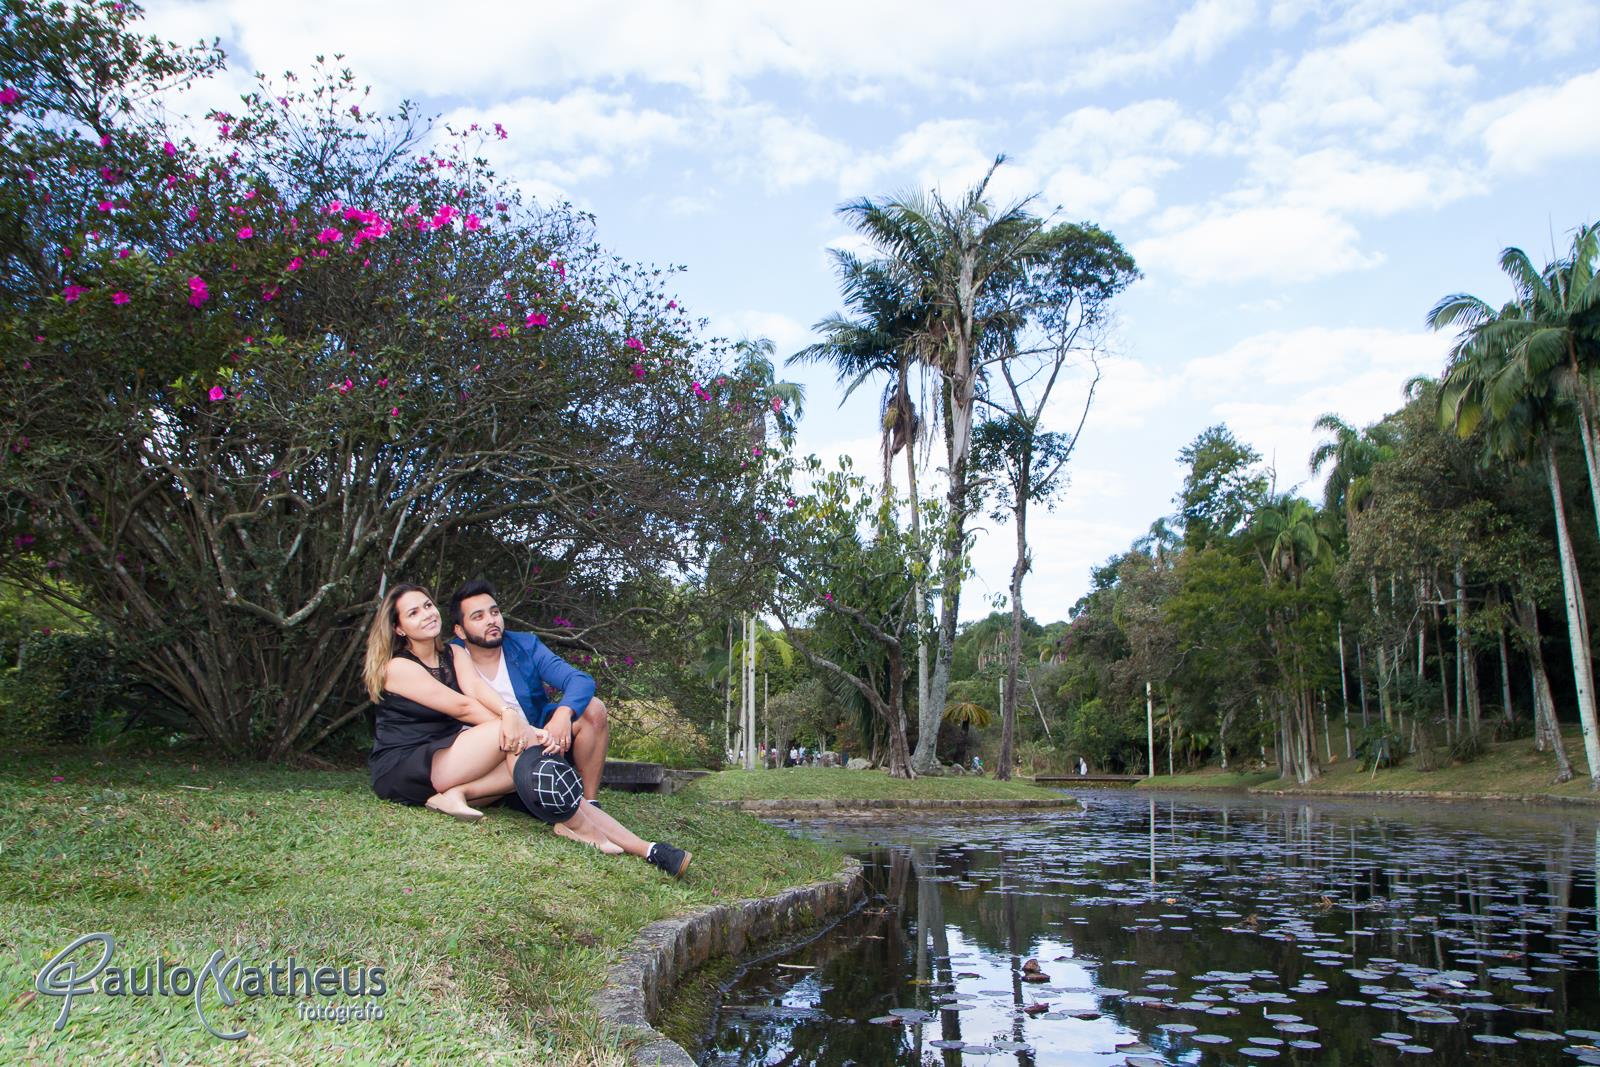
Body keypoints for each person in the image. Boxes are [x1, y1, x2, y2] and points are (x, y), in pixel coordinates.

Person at [364, 582, 691, 877]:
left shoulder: (453, 653)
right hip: (405, 766)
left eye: (427, 605)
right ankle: (578, 826)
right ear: (399, 627)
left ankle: (646, 849)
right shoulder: (398, 667)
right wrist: (523, 728)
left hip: (453, 754)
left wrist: (510, 716)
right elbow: (463, 707)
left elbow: (478, 692)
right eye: (413, 612)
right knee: (513, 742)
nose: (426, 614)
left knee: (527, 764)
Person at [447, 579, 610, 805]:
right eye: (478, 616)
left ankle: (591, 803)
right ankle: (486, 792)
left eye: (494, 612)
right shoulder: (450, 658)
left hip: (540, 737)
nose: (491, 620)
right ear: (460, 630)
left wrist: (563, 715)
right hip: (489, 749)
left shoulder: (525, 645)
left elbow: (579, 680)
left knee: (594, 709)